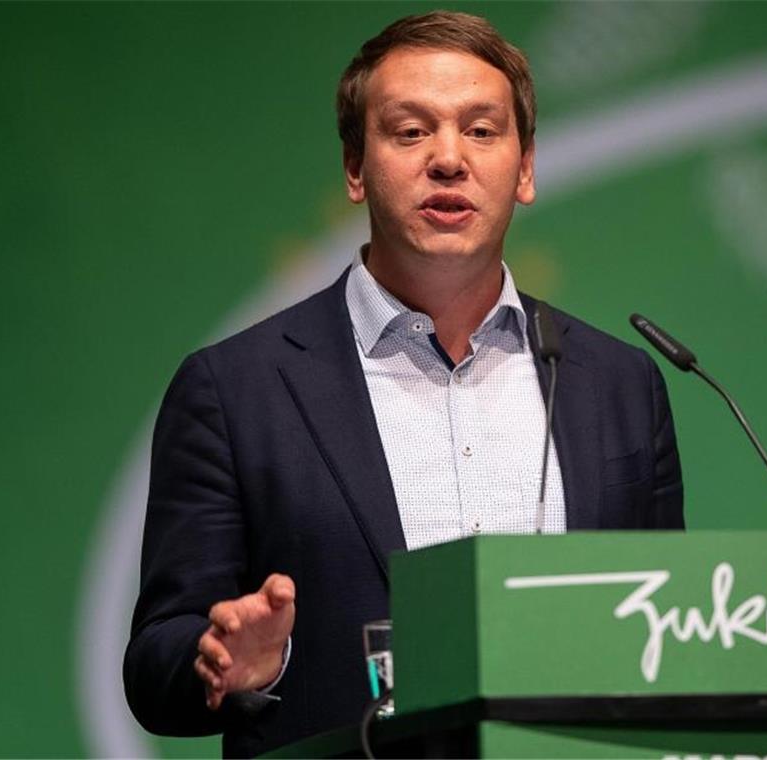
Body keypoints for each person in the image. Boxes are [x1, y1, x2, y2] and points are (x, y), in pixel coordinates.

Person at [124, 10, 684, 757]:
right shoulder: (235, 390)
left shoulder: (620, 384)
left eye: (482, 131)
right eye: (411, 131)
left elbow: (671, 636)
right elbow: (156, 660)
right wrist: (237, 662)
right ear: (356, 167)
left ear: (524, 169)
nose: (449, 159)